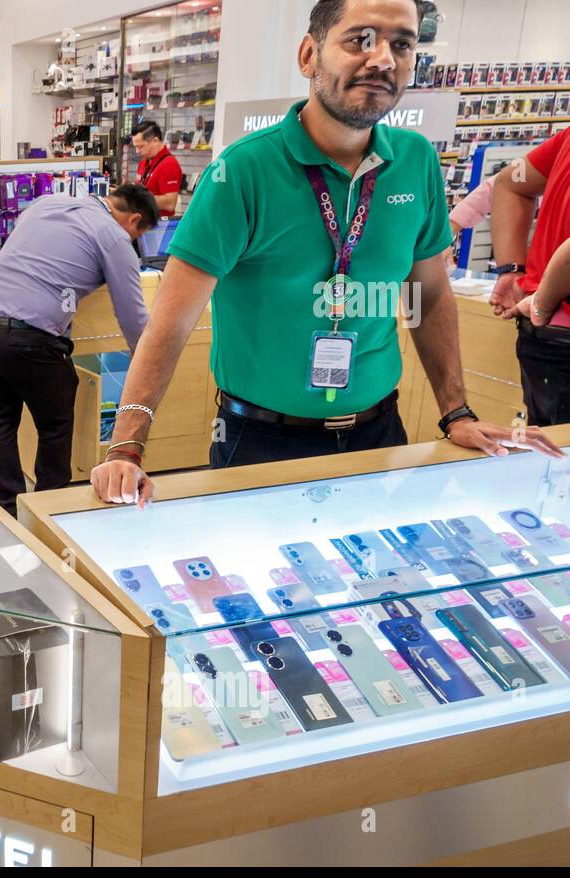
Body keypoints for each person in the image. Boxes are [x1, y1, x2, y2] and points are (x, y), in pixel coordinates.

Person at [92, 0, 561, 507]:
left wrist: (456, 413)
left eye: (401, 44)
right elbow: (170, 323)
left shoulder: (416, 160)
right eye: (360, 38)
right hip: (260, 440)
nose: (383, 58)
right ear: (309, 55)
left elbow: (424, 294)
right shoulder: (241, 172)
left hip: (378, 433)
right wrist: (127, 447)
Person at [0, 183, 157, 515]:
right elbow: (133, 317)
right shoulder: (114, 237)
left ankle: (6, 505)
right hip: (29, 339)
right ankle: (49, 507)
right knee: (54, 424)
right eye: (138, 234)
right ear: (133, 219)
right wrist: (149, 364)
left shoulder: (48, 203)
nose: (134, 242)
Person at [489, 126, 570, 425]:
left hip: (544, 338)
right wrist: (543, 302)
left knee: (549, 458)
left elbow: (511, 182)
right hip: (552, 325)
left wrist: (512, 270)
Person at [131, 121, 184, 218]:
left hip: (158, 226)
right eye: (135, 147)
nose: (137, 151)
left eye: (141, 146)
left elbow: (170, 204)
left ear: (155, 141)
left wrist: (136, 199)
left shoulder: (169, 165)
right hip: (142, 222)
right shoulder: (144, 162)